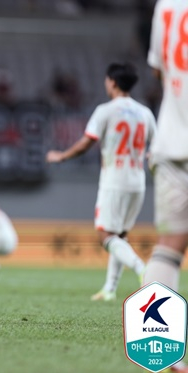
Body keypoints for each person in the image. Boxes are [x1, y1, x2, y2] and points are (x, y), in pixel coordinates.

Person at [46, 62, 156, 301]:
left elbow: (87, 142)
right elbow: (155, 149)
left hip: (114, 180)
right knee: (120, 236)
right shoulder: (145, 113)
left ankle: (143, 270)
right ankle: (110, 289)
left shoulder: (106, 110)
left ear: (112, 82)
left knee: (105, 235)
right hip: (137, 181)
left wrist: (61, 156)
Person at [143, 1, 188, 371]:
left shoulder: (167, 3)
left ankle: (158, 353)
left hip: (172, 141)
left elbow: (160, 68)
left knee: (169, 246)